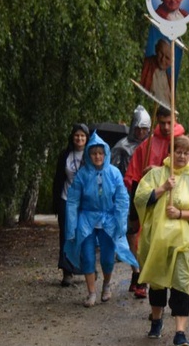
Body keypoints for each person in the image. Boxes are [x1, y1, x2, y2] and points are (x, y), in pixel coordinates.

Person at [134, 136, 189, 346]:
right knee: (158, 282)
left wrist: (180, 213)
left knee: (180, 283)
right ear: (171, 152)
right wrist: (162, 189)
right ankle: (157, 321)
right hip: (157, 239)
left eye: (186, 153)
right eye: (178, 151)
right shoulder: (157, 174)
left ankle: (180, 332)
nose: (182, 156)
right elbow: (140, 199)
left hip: (183, 243)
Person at [64, 132, 139, 307]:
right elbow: (73, 200)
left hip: (108, 219)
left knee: (107, 257)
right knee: (88, 256)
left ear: (105, 154)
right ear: (89, 155)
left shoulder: (113, 173)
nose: (97, 156)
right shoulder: (82, 175)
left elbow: (122, 198)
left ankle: (106, 284)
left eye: (100, 153)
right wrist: (71, 225)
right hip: (87, 219)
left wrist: (121, 221)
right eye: (93, 153)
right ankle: (91, 292)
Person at [111, 105, 152, 298]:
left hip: (150, 196)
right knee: (132, 235)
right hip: (127, 195)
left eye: (145, 128)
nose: (142, 132)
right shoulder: (122, 146)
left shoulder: (153, 146)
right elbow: (113, 172)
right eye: (139, 128)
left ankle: (142, 275)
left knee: (147, 236)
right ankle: (136, 271)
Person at [52, 123, 89, 287]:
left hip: (86, 202)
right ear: (72, 137)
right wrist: (55, 202)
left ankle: (85, 268)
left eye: (82, 136)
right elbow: (58, 178)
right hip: (66, 199)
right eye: (77, 135)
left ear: (87, 138)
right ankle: (67, 271)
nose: (79, 138)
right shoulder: (65, 155)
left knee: (84, 235)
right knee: (66, 235)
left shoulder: (92, 155)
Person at [139, 39, 172, 107]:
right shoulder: (146, 65)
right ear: (156, 49)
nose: (163, 59)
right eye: (161, 53)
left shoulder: (169, 80)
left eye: (167, 58)